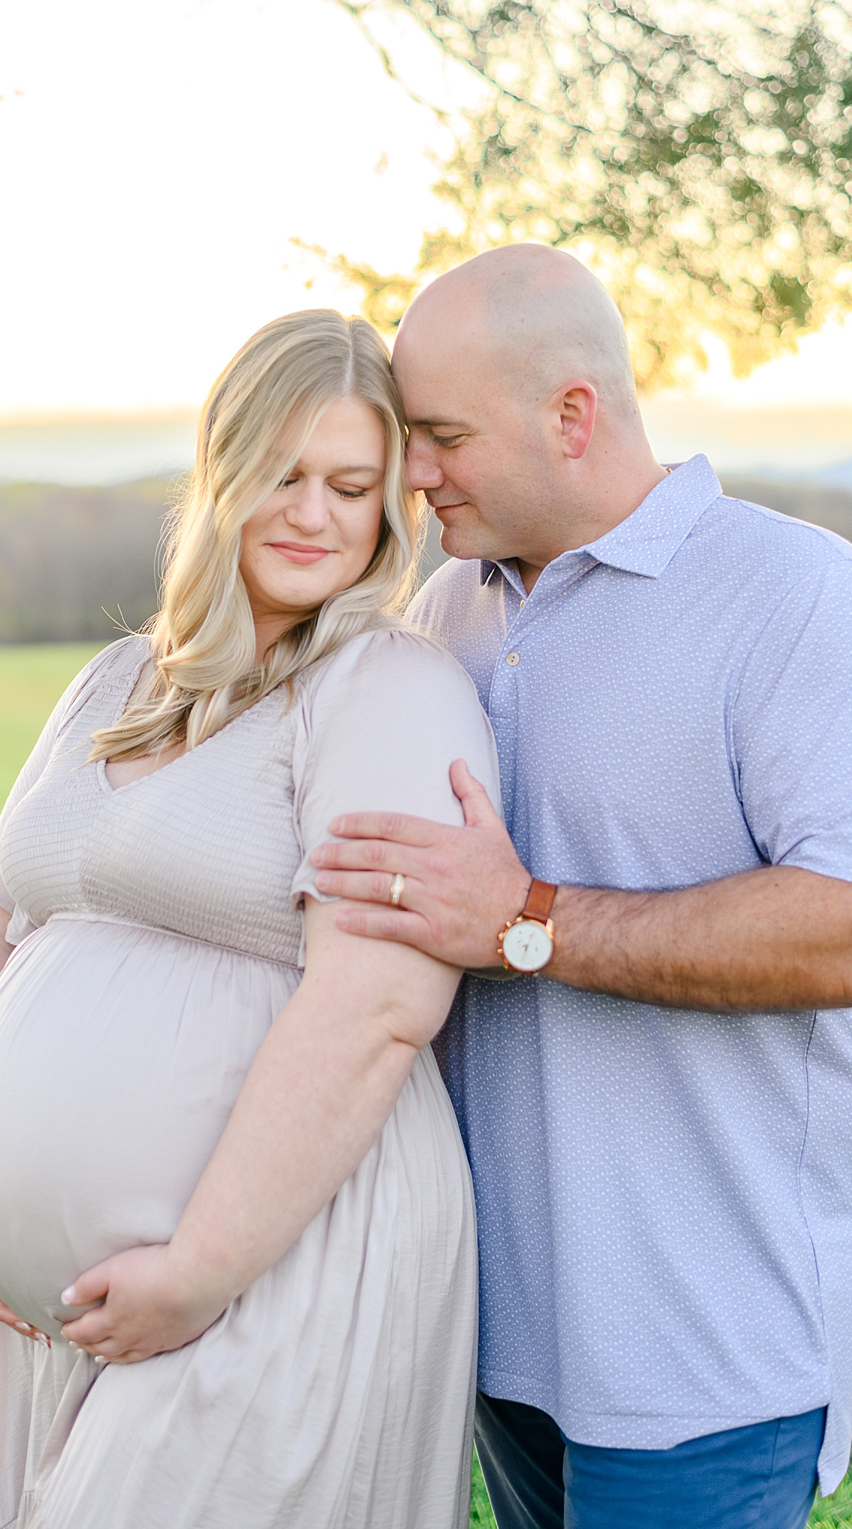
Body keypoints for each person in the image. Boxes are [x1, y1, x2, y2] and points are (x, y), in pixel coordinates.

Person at [307, 244, 852, 1529]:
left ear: (571, 413)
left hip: (701, 1359)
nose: (414, 474)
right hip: (497, 1344)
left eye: (441, 436)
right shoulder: (446, 610)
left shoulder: (793, 598)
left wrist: (523, 920)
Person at [0, 309, 498, 1527]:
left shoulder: (384, 688)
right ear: (217, 471)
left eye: (350, 484)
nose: (313, 514)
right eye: (280, 475)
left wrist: (199, 1270)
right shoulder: (119, 677)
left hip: (275, 1264)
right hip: (84, 1297)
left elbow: (380, 1000)